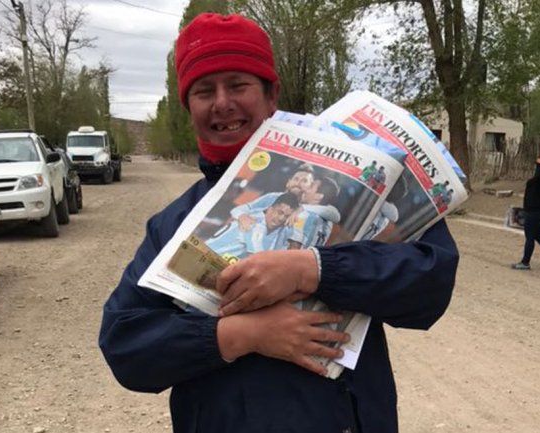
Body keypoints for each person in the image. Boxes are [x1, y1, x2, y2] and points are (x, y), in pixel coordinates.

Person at [99, 13, 459, 433]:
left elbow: (431, 282)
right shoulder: (175, 223)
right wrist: (242, 335)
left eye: (238, 85)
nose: (221, 103)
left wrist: (314, 270)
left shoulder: (354, 190)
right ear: (189, 107)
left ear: (272, 94)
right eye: (204, 90)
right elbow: (125, 345)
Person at [207, 192, 300, 259]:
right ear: (270, 209)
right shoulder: (254, 223)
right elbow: (258, 259)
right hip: (208, 255)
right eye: (279, 212)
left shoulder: (278, 230)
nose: (281, 218)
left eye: (286, 216)